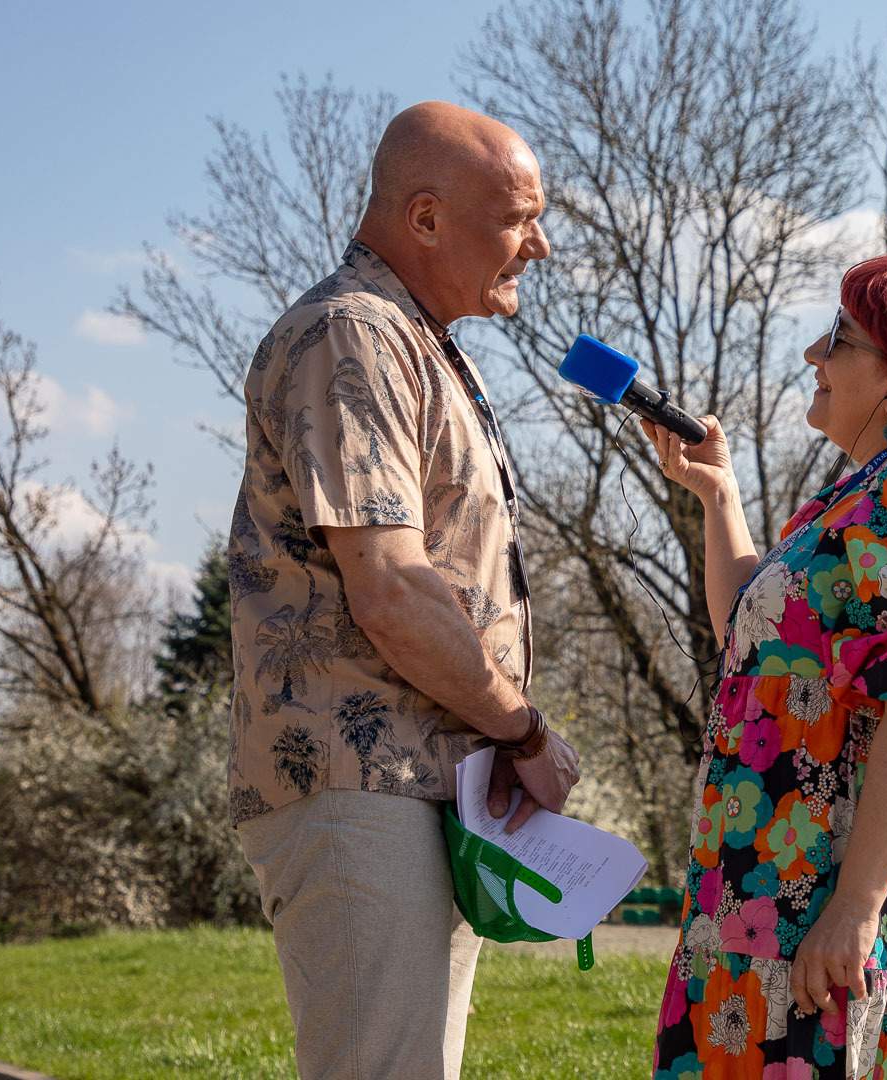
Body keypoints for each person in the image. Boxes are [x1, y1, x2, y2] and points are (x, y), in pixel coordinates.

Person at [226, 101, 580, 1080]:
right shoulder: (354, 333)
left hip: (413, 791)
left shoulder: (409, 341)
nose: (539, 245)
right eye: (518, 219)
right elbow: (390, 587)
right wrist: (523, 732)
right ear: (426, 217)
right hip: (360, 790)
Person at [643, 253, 887, 1079]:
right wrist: (719, 496)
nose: (814, 354)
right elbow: (754, 643)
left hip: (849, 892)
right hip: (777, 883)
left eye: (839, 338)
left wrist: (856, 906)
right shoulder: (863, 493)